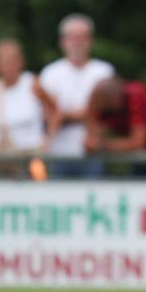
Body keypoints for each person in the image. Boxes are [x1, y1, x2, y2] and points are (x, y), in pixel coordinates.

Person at [39, 13, 115, 176]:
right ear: (63, 42)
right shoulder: (50, 73)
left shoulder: (104, 71)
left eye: (82, 37)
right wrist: (86, 113)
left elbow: (108, 113)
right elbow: (46, 114)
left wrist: (64, 116)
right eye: (73, 37)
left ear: (90, 41)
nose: (77, 43)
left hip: (93, 153)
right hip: (58, 153)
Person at [0, 39, 59, 176]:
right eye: (4, 61)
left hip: (34, 157)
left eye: (12, 60)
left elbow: (55, 110)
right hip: (4, 159)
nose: (8, 66)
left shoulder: (32, 83)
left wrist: (49, 138)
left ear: (21, 62)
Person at [85, 77, 146, 152]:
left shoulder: (137, 95)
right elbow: (91, 137)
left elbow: (138, 143)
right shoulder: (105, 101)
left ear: (115, 101)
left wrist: (102, 146)